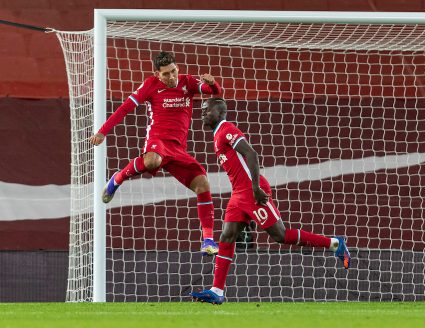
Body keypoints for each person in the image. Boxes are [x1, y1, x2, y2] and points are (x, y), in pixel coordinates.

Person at [190, 97, 351, 304]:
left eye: (207, 110)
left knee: (281, 236)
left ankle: (335, 244)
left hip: (251, 190)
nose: (203, 113)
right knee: (227, 237)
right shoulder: (216, 135)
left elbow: (251, 153)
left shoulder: (226, 128)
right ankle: (217, 290)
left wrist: (256, 187)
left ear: (220, 113)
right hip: (238, 194)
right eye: (201, 109)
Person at [89, 51, 221, 256]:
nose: (172, 77)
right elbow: (125, 108)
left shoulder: (187, 82)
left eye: (174, 71)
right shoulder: (150, 85)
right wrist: (102, 132)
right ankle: (118, 178)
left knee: (203, 183)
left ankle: (208, 240)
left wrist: (212, 84)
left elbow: (214, 91)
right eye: (166, 74)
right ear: (157, 74)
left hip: (178, 149)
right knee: (152, 160)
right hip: (157, 142)